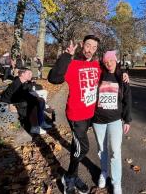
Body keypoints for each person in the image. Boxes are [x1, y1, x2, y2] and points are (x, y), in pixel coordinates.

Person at [48, 35, 129, 194]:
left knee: (77, 147)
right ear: (82, 45)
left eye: (94, 47)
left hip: (91, 116)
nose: (90, 49)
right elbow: (54, 78)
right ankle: (69, 178)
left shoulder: (97, 66)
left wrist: (124, 74)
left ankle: (74, 175)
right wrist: (66, 55)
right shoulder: (72, 64)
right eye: (88, 45)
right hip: (76, 116)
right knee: (82, 148)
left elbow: (112, 68)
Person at [92, 51, 132, 194]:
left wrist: (127, 119)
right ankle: (103, 173)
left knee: (115, 151)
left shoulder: (122, 77)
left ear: (116, 61)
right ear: (103, 62)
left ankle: (116, 183)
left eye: (111, 60)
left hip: (115, 120)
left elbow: (127, 100)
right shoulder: (98, 74)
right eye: (106, 61)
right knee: (102, 150)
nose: (109, 63)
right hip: (98, 120)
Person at [0, 68, 51, 134]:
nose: (31, 75)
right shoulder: (17, 83)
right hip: (9, 103)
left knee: (41, 100)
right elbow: (17, 98)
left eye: (31, 74)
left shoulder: (23, 82)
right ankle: (34, 127)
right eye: (29, 73)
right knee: (34, 103)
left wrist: (36, 98)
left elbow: (25, 94)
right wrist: (33, 99)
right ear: (22, 74)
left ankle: (41, 122)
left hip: (17, 100)